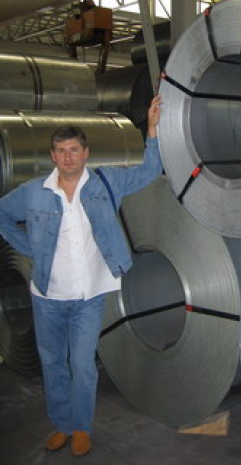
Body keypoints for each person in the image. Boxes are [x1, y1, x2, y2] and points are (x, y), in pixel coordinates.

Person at [0, 96, 163, 457]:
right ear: (52, 156)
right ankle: (61, 425)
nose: (68, 157)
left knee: (83, 364)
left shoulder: (106, 183)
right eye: (61, 151)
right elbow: (2, 213)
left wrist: (152, 128)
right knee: (52, 363)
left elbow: (151, 170)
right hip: (47, 297)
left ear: (86, 153)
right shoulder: (33, 192)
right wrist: (27, 248)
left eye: (74, 149)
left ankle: (80, 428)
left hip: (89, 295)